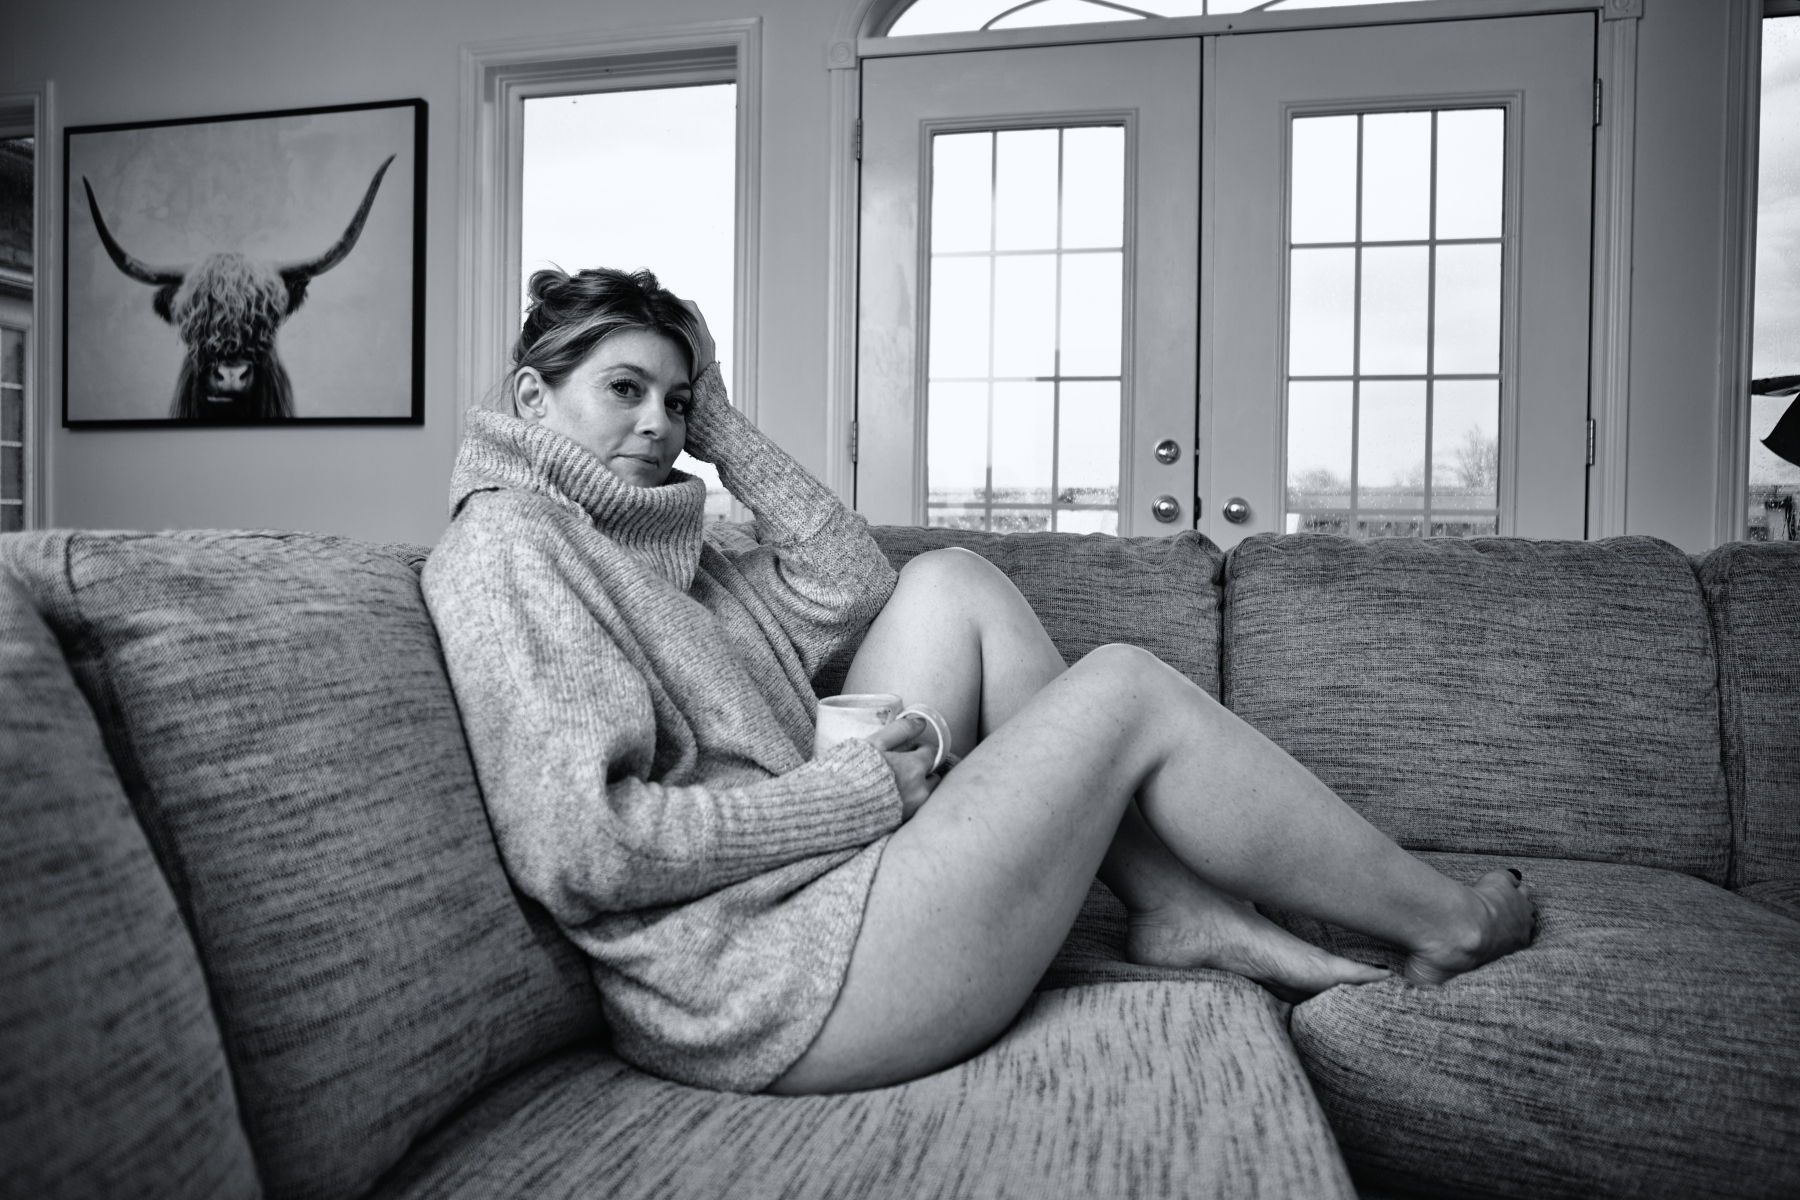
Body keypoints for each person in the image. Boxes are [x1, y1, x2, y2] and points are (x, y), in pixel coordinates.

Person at [423, 266, 1535, 1097]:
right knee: (1124, 687)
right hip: (764, 983)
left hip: (821, 893)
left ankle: (1179, 907)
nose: (657, 426)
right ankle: (1447, 922)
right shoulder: (512, 547)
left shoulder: (665, 546)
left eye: (676, 403)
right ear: (531, 398)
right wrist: (853, 796)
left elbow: (852, 584)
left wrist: (722, 423)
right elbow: (583, 848)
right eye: (625, 390)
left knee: (948, 581)